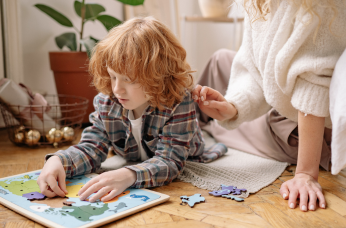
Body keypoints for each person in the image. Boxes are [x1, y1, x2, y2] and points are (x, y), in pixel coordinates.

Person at [37, 17, 227, 203]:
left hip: (188, 152)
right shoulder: (107, 102)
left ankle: (211, 131)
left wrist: (128, 175)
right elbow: (91, 147)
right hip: (135, 156)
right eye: (112, 76)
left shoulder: (179, 100)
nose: (117, 89)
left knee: (208, 139)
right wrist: (58, 161)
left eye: (129, 79)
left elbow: (170, 162)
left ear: (159, 76)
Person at [193, 0, 346, 212]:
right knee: (219, 60)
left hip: (312, 126)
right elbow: (254, 67)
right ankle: (191, 126)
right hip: (282, 99)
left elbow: (314, 84)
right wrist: (233, 106)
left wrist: (305, 174)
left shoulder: (321, 5)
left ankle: (205, 129)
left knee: (257, 125)